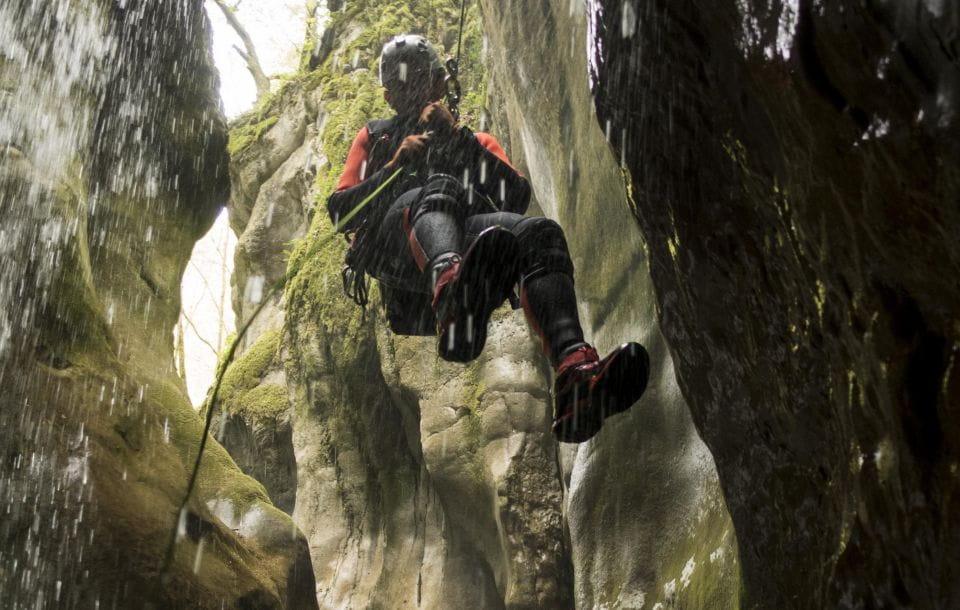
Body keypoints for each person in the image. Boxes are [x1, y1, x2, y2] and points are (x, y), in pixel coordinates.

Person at [326, 34, 649, 443]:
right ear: (389, 96)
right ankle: (450, 298)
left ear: (441, 84)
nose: (415, 92)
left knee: (538, 232)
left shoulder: (475, 142)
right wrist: (393, 168)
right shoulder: (376, 138)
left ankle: (574, 374)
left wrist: (459, 140)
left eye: (423, 80)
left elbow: (515, 197)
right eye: (404, 85)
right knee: (437, 187)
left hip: (470, 258)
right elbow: (340, 212)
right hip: (398, 261)